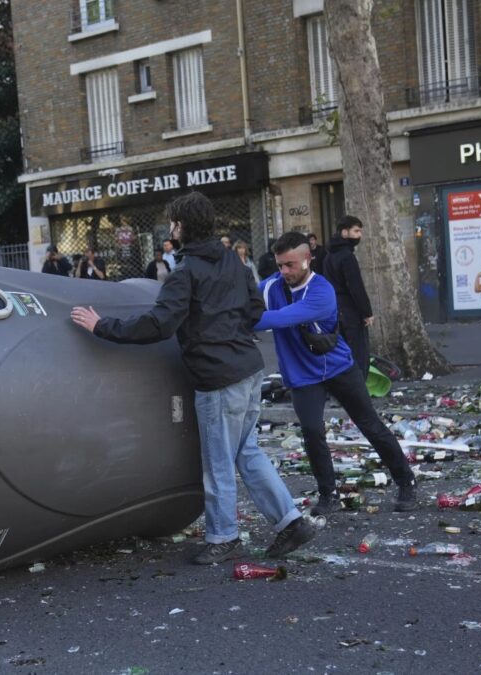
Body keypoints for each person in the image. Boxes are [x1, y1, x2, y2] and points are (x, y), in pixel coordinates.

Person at [71, 192, 315, 565]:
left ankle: (223, 537)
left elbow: (159, 323)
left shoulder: (185, 272)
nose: (170, 230)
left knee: (219, 460)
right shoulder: (233, 262)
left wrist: (102, 326)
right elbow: (254, 310)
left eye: (173, 224)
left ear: (181, 227)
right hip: (249, 369)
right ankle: (290, 520)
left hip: (217, 377)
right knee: (245, 451)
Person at [257, 232, 417, 517]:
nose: (284, 272)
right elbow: (246, 304)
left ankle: (406, 481)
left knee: (370, 424)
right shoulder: (271, 287)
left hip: (338, 367)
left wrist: (247, 318)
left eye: (290, 265)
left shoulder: (322, 291)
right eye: (280, 265)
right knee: (312, 432)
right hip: (301, 374)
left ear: (308, 259)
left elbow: (282, 318)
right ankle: (328, 494)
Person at [322, 216, 374, 377]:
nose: (359, 235)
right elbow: (356, 287)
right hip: (350, 311)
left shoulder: (329, 255)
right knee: (357, 352)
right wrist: (367, 312)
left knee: (341, 352)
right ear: (344, 232)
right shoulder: (347, 257)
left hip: (335, 309)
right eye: (356, 231)